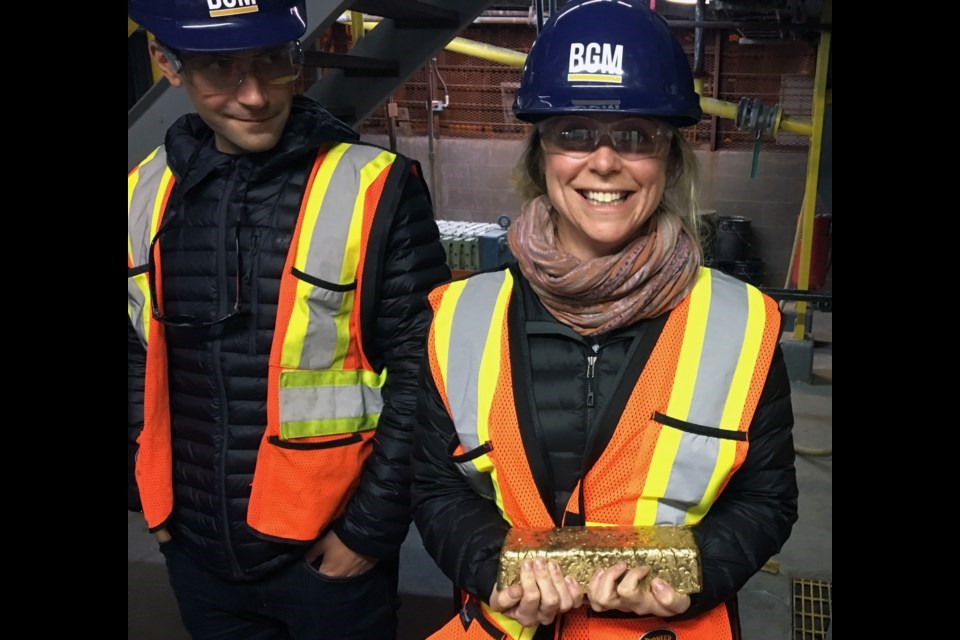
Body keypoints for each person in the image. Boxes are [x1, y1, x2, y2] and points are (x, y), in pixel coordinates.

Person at [410, 1, 799, 638]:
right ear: (541, 155)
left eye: (635, 136)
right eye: (575, 133)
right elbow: (435, 487)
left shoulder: (743, 325)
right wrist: (495, 565)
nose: (604, 161)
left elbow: (766, 500)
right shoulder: (461, 317)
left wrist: (697, 570)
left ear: (670, 159)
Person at [126, 1, 450, 638]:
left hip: (328, 560)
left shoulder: (375, 188)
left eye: (274, 61)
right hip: (195, 552)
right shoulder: (144, 194)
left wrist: (367, 533)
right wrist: (149, 493)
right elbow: (136, 355)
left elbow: (426, 374)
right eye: (220, 68)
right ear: (168, 64)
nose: (254, 95)